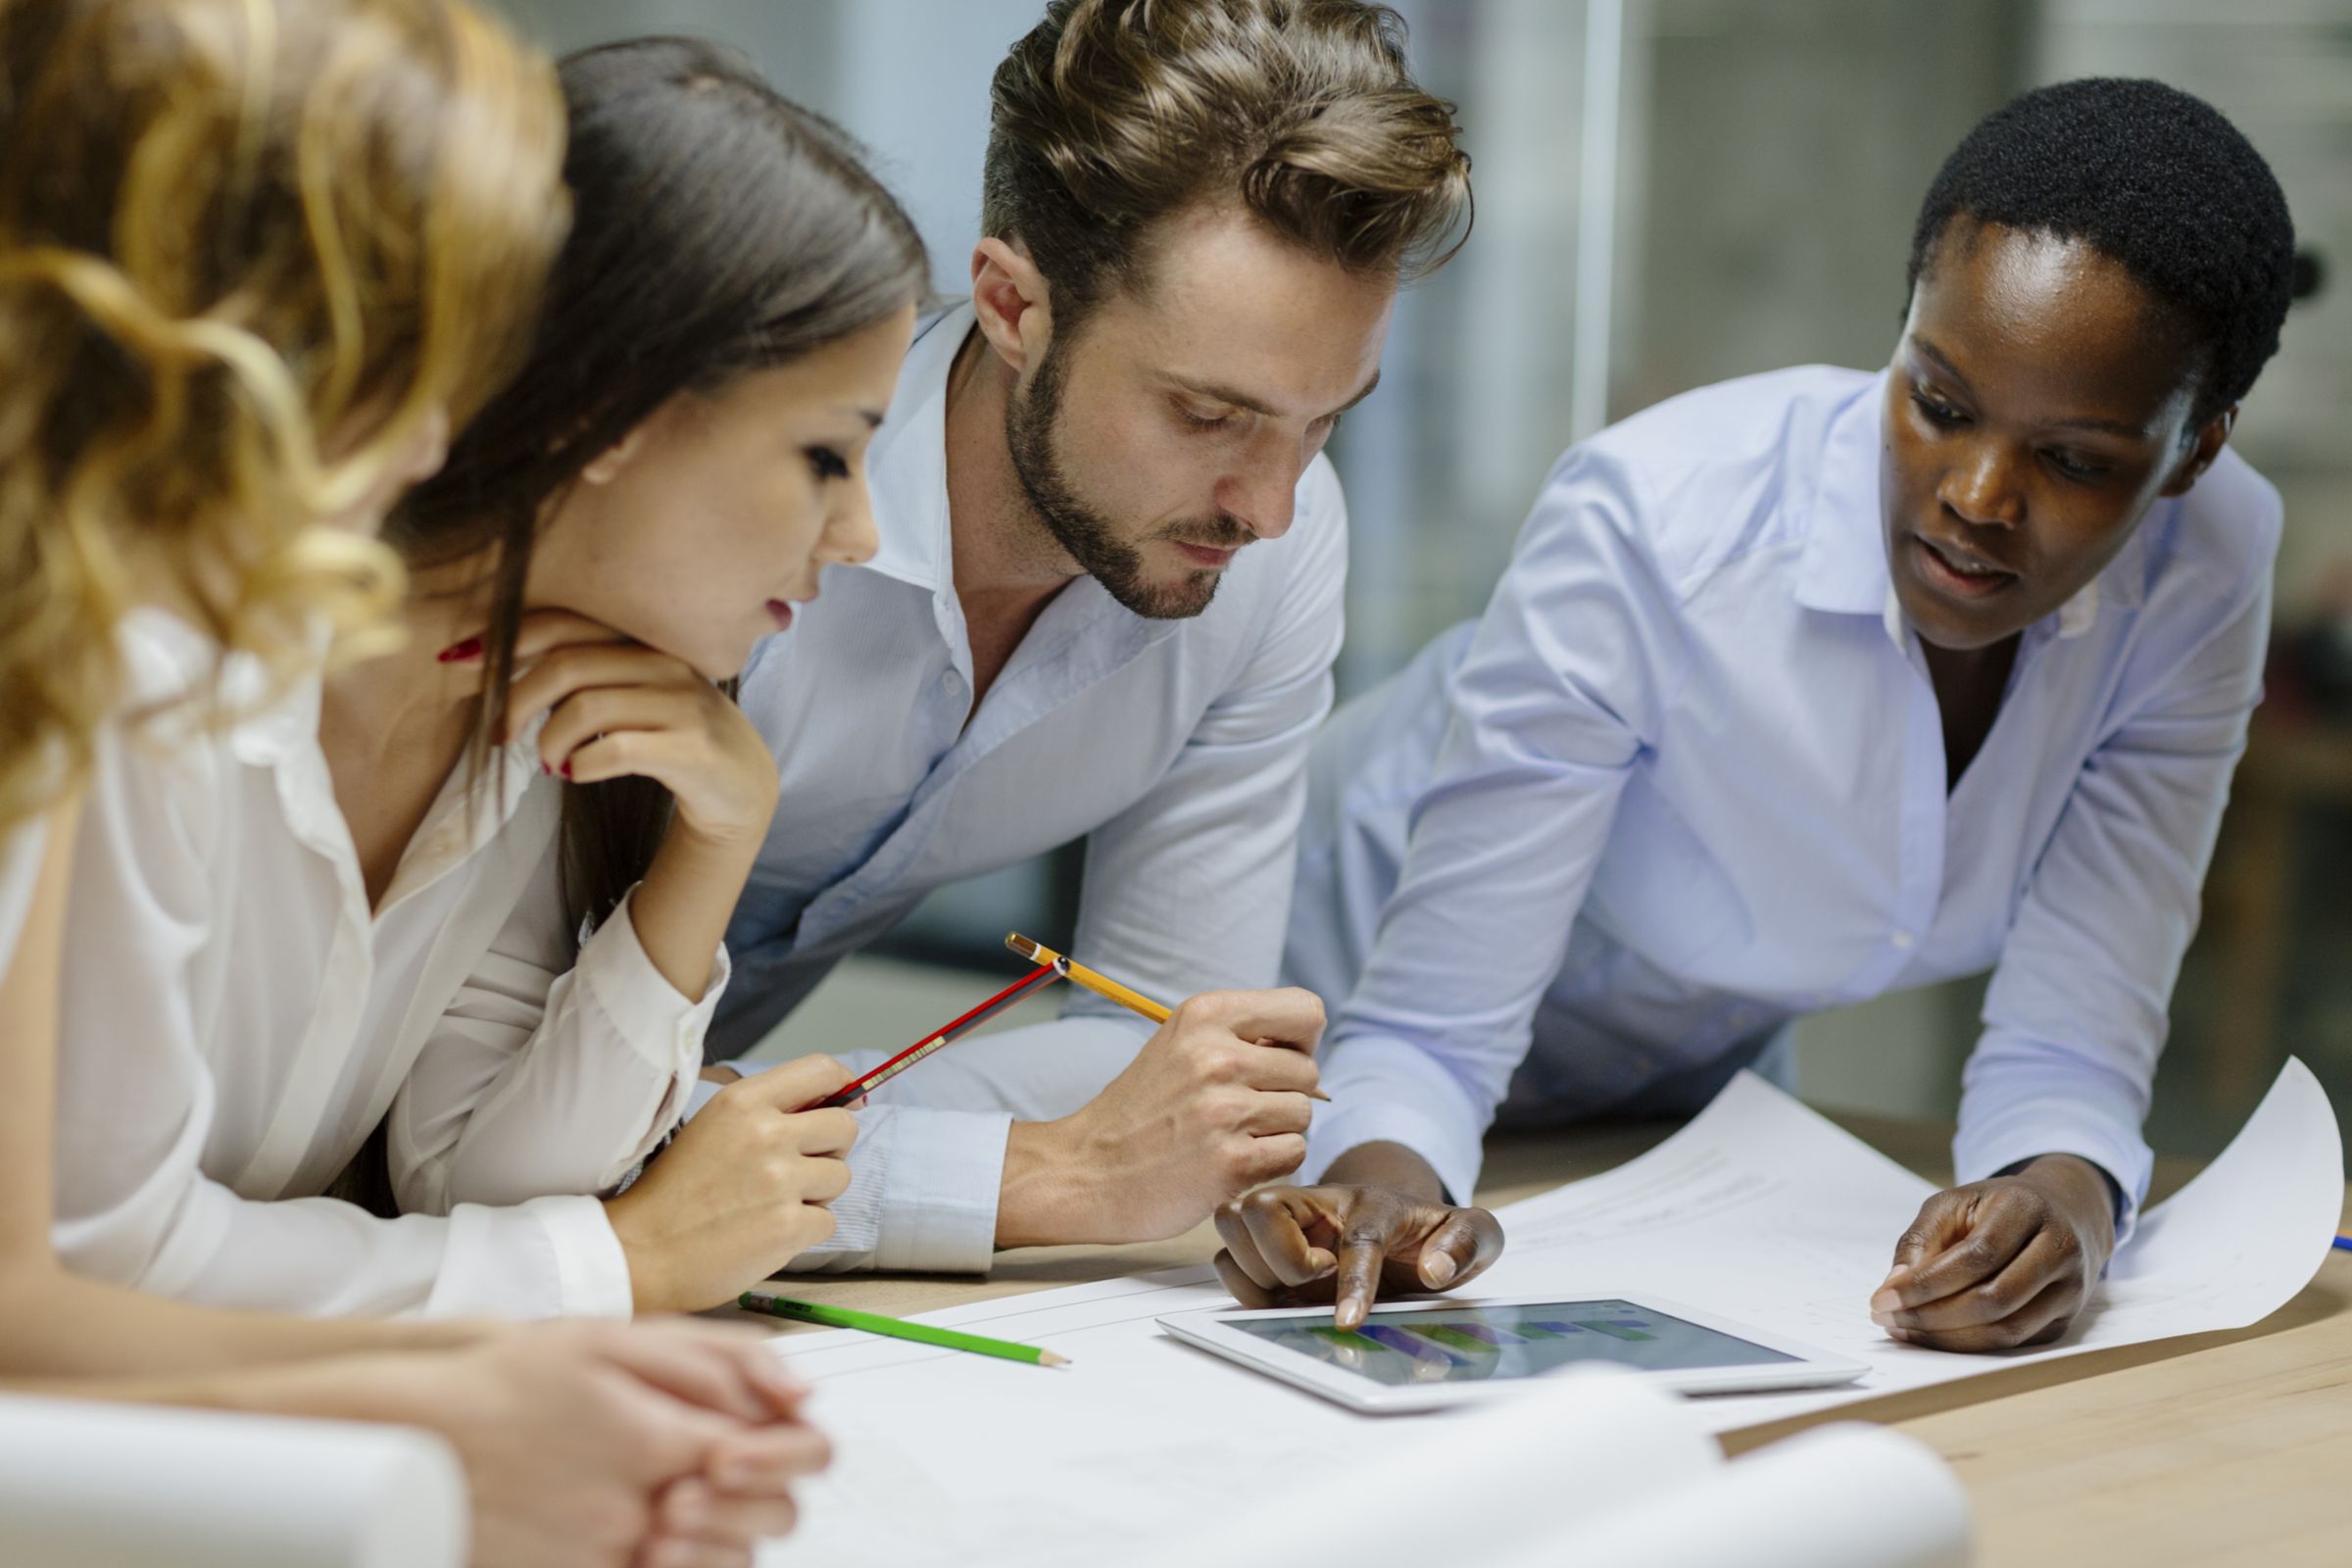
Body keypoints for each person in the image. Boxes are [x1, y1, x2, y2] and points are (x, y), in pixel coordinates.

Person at [1219, 76, 2303, 1351]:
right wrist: (1385, 1184)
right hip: (1342, 1022)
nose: (1978, 495)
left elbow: (2079, 1030)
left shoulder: (2206, 566)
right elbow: (1425, 1032)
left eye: (2075, 461)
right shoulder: (1657, 519)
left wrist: (2058, 1199)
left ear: (2193, 453)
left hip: (1667, 1096)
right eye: (1939, 401)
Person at [0, 2, 824, 1563]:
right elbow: (59, 1285)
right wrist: (477, 1392)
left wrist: (489, 1388)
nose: (450, 439)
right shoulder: (128, 667)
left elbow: (27, 1303)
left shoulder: (83, 637)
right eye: (414, 358)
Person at [700, 0, 1474, 1274]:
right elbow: (490, 1112)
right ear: (1011, 305)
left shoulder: (1276, 543)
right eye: (1208, 413)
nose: (1271, 507)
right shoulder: (736, 505)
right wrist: (1050, 1171)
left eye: (1324, 421)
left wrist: (751, 1137)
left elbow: (1163, 1062)